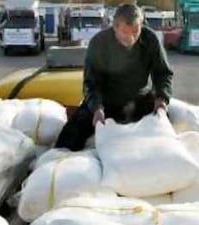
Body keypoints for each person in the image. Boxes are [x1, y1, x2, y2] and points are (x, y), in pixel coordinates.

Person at [55, 3, 173, 151]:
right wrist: (96, 108)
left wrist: (162, 98)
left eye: (135, 32)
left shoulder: (151, 39)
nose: (130, 38)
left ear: (141, 26)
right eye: (125, 32)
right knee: (71, 133)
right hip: (106, 101)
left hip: (140, 99)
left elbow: (163, 73)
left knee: (164, 129)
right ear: (115, 27)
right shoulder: (99, 43)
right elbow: (91, 83)